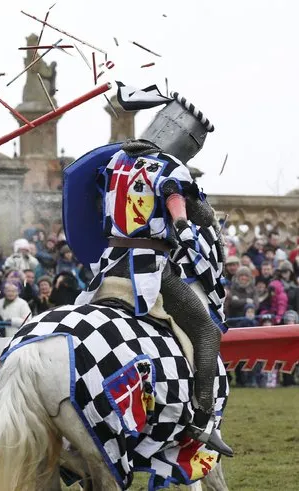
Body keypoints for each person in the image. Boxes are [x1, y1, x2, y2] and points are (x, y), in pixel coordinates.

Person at [77, 90, 232, 456]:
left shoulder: (114, 161)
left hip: (108, 263)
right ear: (186, 141)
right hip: (149, 269)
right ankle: (202, 418)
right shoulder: (170, 166)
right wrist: (183, 222)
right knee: (207, 331)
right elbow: (179, 200)